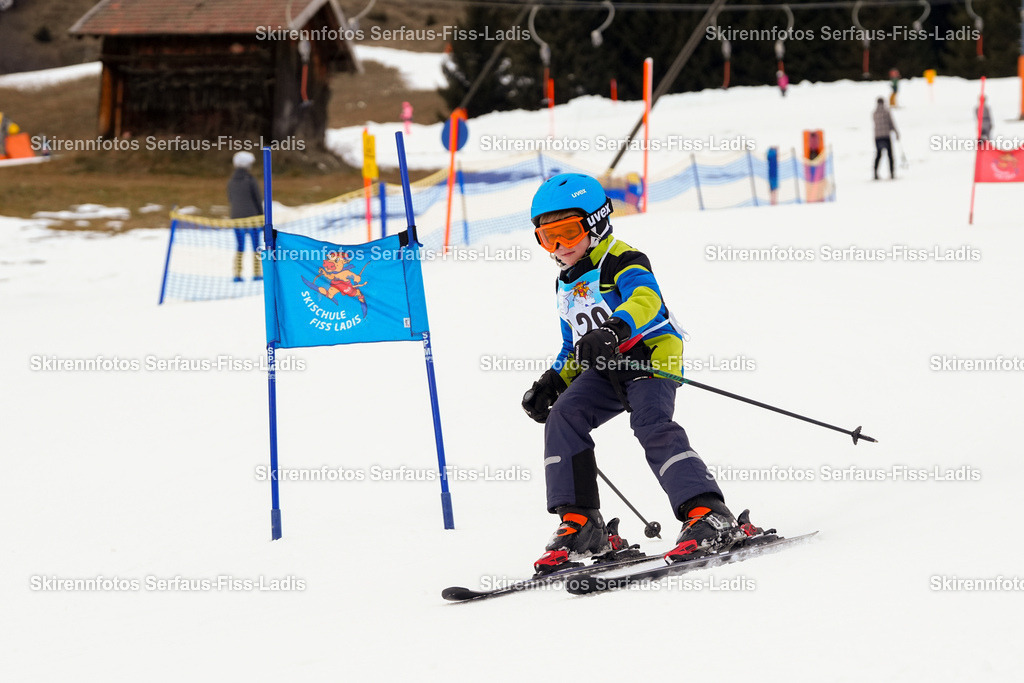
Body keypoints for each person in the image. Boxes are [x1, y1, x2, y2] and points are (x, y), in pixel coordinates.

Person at [521, 173, 765, 576]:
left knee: (651, 422)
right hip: (607, 367)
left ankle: (707, 511)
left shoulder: (623, 259)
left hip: (649, 358)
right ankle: (582, 524)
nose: (558, 247)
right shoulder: (565, 283)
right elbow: (574, 345)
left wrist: (616, 329)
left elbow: (646, 298)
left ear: (596, 222)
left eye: (566, 232)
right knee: (565, 414)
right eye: (547, 238)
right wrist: (551, 383)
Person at [227, 151, 263, 282]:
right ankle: (257, 273)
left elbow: (230, 199)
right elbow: (257, 200)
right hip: (252, 219)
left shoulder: (231, 181)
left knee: (240, 246)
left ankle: (237, 274)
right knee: (256, 247)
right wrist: (262, 218)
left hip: (236, 219)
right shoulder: (250, 180)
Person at [872, 97, 899, 180]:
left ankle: (875, 173)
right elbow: (891, 123)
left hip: (877, 137)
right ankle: (892, 173)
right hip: (886, 136)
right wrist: (896, 132)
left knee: (878, 155)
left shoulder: (874, 113)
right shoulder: (887, 112)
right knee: (890, 155)